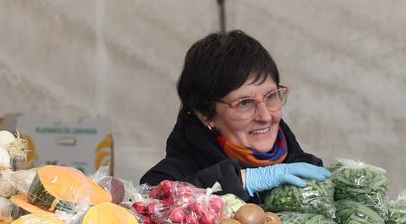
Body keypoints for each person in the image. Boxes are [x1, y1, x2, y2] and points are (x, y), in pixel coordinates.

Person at [141, 30, 329, 201]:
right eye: (245, 103)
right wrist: (240, 181)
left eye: (271, 96)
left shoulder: (308, 169)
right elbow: (150, 207)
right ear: (206, 114)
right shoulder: (168, 177)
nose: (265, 116)